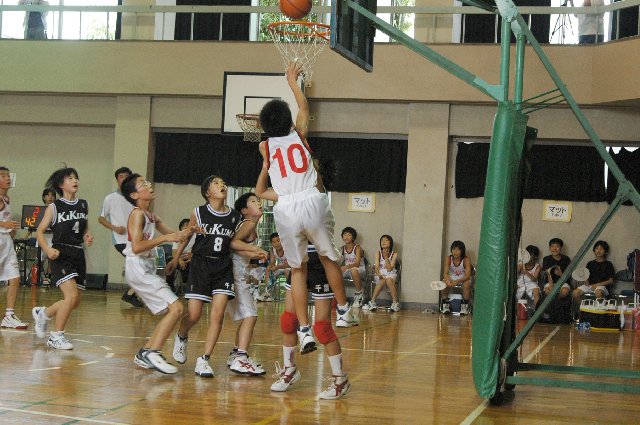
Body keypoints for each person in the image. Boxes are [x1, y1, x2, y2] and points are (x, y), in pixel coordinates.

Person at [255, 60, 355, 355]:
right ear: (289, 121)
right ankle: (344, 309)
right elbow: (304, 106)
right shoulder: (299, 134)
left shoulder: (264, 147)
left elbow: (268, 154)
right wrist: (292, 81)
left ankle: (303, 329)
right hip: (311, 199)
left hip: (286, 206)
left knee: (297, 269)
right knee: (328, 258)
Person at [169, 175, 267, 378]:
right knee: (194, 314)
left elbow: (234, 242)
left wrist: (252, 251)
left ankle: (204, 359)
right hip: (201, 265)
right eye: (216, 183)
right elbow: (186, 236)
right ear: (207, 192)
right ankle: (182, 335)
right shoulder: (199, 212)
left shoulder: (234, 216)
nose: (221, 185)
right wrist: (175, 258)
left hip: (223, 266)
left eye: (223, 183)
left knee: (218, 314)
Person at [119, 173, 194, 374]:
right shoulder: (137, 214)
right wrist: (164, 239)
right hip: (137, 267)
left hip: (146, 267)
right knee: (176, 308)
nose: (149, 185)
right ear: (134, 195)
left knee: (174, 310)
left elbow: (176, 236)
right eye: (143, 184)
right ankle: (151, 352)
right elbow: (137, 247)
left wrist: (193, 229)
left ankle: (147, 352)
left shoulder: (152, 215)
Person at [271, 243, 351, 399]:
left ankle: (340, 379)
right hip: (298, 261)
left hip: (319, 263)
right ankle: (289, 369)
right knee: (288, 320)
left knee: (322, 328)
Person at [33, 166, 94, 350]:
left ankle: (44, 313)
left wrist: (87, 235)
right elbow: (39, 231)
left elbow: (83, 226)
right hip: (60, 253)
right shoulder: (54, 207)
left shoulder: (83, 204)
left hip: (78, 253)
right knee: (71, 296)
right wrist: (47, 249)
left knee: (74, 302)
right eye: (70, 178)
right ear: (61, 184)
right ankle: (56, 336)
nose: (75, 180)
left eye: (76, 177)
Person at [225, 192, 267, 376]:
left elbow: (238, 250)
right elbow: (232, 243)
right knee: (250, 315)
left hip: (238, 273)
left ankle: (236, 354)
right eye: (253, 201)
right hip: (234, 274)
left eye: (258, 200)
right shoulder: (248, 223)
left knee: (246, 317)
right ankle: (241, 358)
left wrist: (252, 255)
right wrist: (254, 249)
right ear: (244, 210)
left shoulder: (252, 225)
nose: (258, 203)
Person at [98, 167, 143, 308]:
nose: (124, 178)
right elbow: (101, 218)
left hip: (136, 239)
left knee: (143, 266)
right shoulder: (110, 198)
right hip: (121, 240)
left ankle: (131, 293)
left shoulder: (135, 197)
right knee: (142, 266)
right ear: (117, 179)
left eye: (127, 176)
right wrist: (114, 228)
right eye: (121, 176)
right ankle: (130, 293)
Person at [0, 167, 28, 330]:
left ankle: (9, 316)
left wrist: (10, 230)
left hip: (6, 242)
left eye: (7, 175)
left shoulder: (7, 198)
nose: (7, 178)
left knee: (15, 277)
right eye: (2, 176)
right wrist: (4, 224)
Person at [363, 235, 401, 312]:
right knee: (383, 280)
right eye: (382, 240)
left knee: (389, 280)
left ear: (390, 243)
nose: (383, 242)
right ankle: (372, 302)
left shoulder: (394, 254)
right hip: (380, 273)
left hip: (390, 273)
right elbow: (376, 267)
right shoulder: (378, 253)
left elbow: (389, 269)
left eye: (386, 240)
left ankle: (395, 303)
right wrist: (379, 274)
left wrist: (386, 257)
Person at [541, 237, 572, 323]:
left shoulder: (566, 259)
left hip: (563, 282)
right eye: (552, 246)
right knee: (548, 291)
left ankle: (555, 306)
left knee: (565, 291)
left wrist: (560, 274)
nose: (554, 249)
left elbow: (568, 276)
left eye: (557, 246)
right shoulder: (546, 259)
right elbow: (547, 274)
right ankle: (555, 310)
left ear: (561, 247)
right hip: (550, 282)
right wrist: (552, 286)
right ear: (549, 248)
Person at [438, 240, 472, 315]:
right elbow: (445, 273)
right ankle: (445, 305)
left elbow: (467, 276)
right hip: (451, 278)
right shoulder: (448, 258)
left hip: (463, 278)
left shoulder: (466, 260)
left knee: (467, 284)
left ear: (462, 251)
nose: (455, 252)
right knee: (444, 283)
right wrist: (448, 280)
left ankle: (464, 306)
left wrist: (456, 282)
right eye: (454, 249)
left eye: (458, 249)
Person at [165, 218, 194, 295]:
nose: (186, 227)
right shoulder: (178, 236)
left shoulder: (195, 237)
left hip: (190, 259)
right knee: (169, 260)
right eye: (184, 225)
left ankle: (191, 288)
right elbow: (174, 253)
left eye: (188, 225)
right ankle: (170, 286)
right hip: (179, 259)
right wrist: (180, 260)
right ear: (180, 228)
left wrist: (191, 257)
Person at [340, 226, 366, 308]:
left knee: (354, 270)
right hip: (348, 269)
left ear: (353, 237)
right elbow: (338, 261)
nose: (346, 237)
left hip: (359, 269)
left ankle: (359, 294)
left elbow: (357, 264)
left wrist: (346, 267)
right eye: (344, 234)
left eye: (349, 235)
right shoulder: (342, 248)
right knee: (334, 272)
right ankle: (339, 297)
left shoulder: (357, 247)